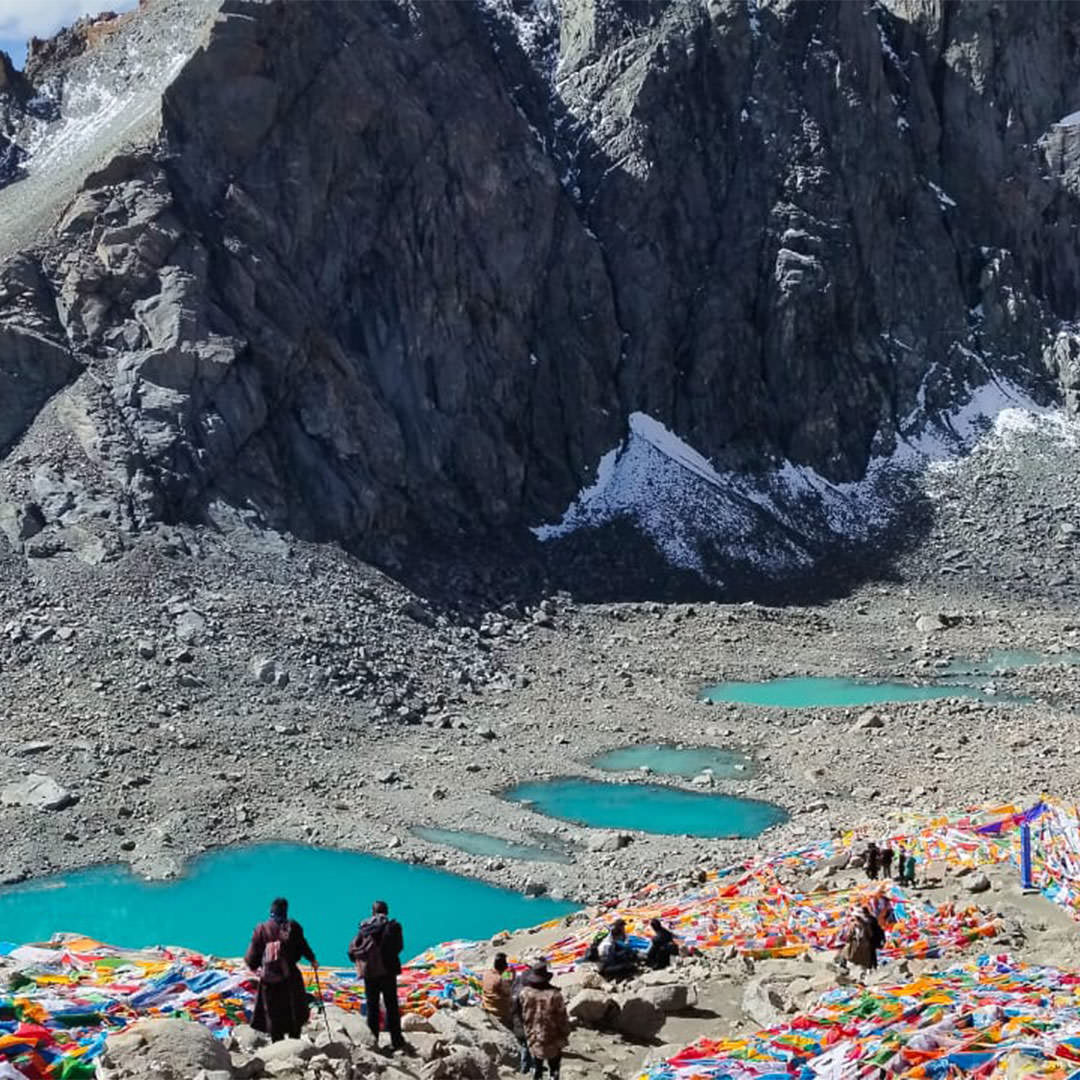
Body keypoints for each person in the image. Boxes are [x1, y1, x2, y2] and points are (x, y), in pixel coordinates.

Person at [244, 897, 317, 1041]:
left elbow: (251, 958)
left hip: (269, 979)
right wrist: (313, 960)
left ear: (271, 911)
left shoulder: (261, 929)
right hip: (291, 976)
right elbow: (303, 946)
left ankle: (277, 1044)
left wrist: (256, 966)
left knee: (273, 1013)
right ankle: (295, 1042)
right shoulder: (293, 927)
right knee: (294, 1010)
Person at [348, 900, 406, 1052]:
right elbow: (399, 947)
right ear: (387, 911)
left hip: (370, 973)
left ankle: (373, 1041)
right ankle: (397, 1041)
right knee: (391, 1006)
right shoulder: (393, 926)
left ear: (372, 912)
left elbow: (352, 950)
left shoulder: (364, 927)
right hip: (388, 972)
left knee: (372, 1007)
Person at [517, 959, 570, 1080]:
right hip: (553, 1037)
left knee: (537, 1064)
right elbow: (562, 1018)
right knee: (554, 1065)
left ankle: (537, 1075)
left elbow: (521, 1013)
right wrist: (565, 1032)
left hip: (533, 1036)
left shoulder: (524, 993)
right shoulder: (555, 995)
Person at [842, 905, 885, 982]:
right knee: (867, 959)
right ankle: (866, 973)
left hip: (865, 943)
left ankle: (867, 974)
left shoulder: (867, 922)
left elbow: (870, 933)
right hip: (865, 944)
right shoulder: (868, 920)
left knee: (866, 959)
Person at [511, 964, 534, 1074]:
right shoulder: (527, 994)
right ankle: (527, 1067)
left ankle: (526, 1065)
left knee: (524, 1045)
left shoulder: (514, 989)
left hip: (517, 1024)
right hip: (524, 1026)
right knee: (527, 1046)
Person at [481, 952, 513, 1027]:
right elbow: (508, 992)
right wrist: (513, 977)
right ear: (504, 966)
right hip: (497, 1009)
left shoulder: (486, 973)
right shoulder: (500, 979)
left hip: (486, 1003)